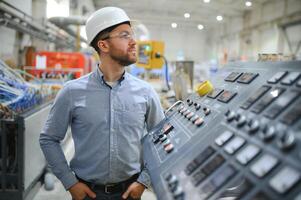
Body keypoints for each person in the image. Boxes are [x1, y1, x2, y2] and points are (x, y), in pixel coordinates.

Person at [39, 7, 165, 200]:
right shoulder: (72, 92)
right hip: (87, 193)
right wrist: (70, 182)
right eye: (125, 36)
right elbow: (49, 139)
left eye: (132, 35)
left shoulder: (146, 92)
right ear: (103, 45)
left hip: (129, 192)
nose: (134, 42)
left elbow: (162, 139)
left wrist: (143, 181)